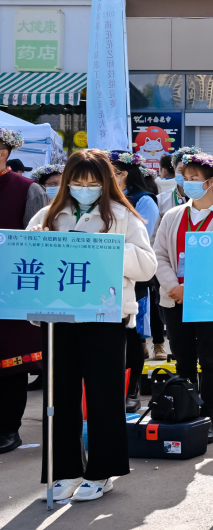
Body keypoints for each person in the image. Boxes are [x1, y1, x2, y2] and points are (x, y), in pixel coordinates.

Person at [30, 149, 157, 502]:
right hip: (59, 318)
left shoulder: (122, 216)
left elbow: (146, 267)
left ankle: (102, 471)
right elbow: (25, 259)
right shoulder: (49, 215)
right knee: (59, 395)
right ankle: (64, 471)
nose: (84, 189)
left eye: (92, 183)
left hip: (104, 317)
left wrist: (106, 249)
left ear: (106, 183)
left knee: (103, 395)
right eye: (77, 182)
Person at [152, 151, 213, 442]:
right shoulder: (173, 215)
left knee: (210, 357)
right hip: (173, 298)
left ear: (211, 181)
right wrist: (173, 287)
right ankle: (188, 410)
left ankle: (208, 416)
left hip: (210, 300)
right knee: (183, 358)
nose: (187, 183)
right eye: (185, 178)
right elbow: (160, 254)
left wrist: (191, 290)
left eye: (194, 179)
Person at [0, 133, 47, 456]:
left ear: (5, 151)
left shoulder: (27, 189)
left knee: (9, 364)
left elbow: (38, 244)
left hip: (11, 289)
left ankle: (7, 428)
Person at [109, 152, 161, 413]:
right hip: (104, 278)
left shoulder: (144, 201)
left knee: (134, 335)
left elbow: (144, 239)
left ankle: (132, 391)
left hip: (134, 276)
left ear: (124, 174)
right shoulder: (106, 200)